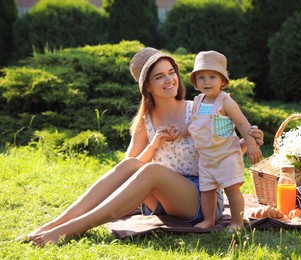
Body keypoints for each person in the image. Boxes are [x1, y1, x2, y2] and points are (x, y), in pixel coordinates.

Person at [19, 47, 264, 246]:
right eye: (159, 76)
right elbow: (127, 172)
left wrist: (248, 141)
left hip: (202, 198)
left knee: (151, 170)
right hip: (159, 203)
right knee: (133, 165)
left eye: (171, 72)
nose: (169, 80)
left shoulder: (199, 108)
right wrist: (155, 142)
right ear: (147, 86)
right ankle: (52, 225)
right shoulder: (144, 123)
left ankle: (71, 229)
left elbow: (222, 152)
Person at [187, 50, 262, 230]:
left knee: (231, 189)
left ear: (223, 81)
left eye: (212, 77)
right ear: (196, 81)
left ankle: (236, 222)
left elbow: (243, 124)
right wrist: (178, 131)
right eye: (201, 77)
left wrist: (251, 145)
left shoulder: (225, 102)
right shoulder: (197, 101)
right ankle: (209, 220)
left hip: (227, 155)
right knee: (206, 191)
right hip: (206, 158)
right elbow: (192, 124)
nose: (206, 81)